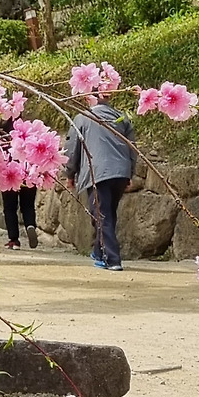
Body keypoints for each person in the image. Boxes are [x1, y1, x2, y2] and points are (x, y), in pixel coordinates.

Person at [64, 99, 138, 272]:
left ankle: (111, 259)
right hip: (121, 172)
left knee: (101, 215)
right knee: (107, 213)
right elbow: (132, 147)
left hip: (97, 172)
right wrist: (130, 173)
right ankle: (99, 252)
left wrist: (69, 173)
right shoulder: (122, 118)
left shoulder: (82, 117)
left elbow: (72, 148)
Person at [0, 118, 38, 249]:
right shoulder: (30, 131)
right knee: (28, 205)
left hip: (9, 174)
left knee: (10, 207)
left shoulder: (1, 133)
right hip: (28, 172)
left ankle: (14, 240)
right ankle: (30, 225)